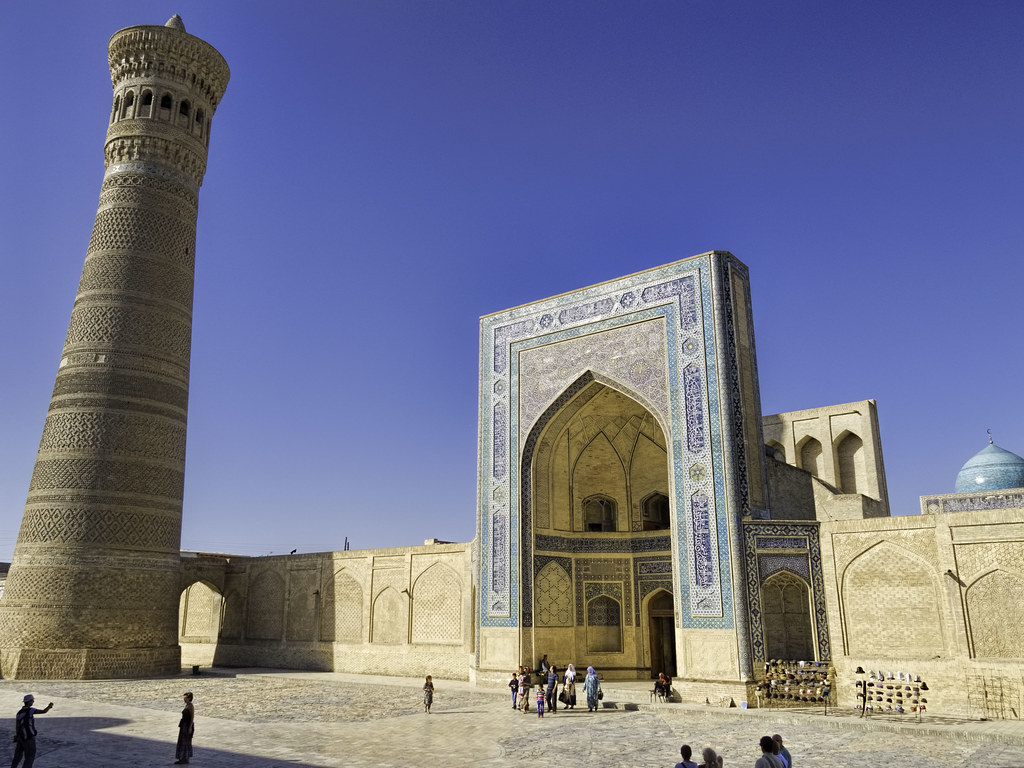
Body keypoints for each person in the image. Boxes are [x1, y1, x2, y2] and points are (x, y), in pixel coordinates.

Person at [12, 694, 53, 768]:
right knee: (30, 756)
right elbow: (44, 711)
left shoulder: (19, 712)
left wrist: (17, 736)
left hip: (20, 738)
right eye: (32, 700)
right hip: (28, 737)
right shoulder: (30, 710)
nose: (33, 701)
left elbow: (17, 725)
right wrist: (49, 706)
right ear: (29, 701)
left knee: (17, 757)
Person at [174, 691, 194, 765]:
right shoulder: (187, 705)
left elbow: (192, 717)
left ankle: (185, 759)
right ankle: (181, 758)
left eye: (185, 698)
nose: (184, 699)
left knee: (186, 742)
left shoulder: (191, 706)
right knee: (182, 742)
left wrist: (190, 727)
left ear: (189, 698)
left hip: (187, 725)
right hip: (183, 725)